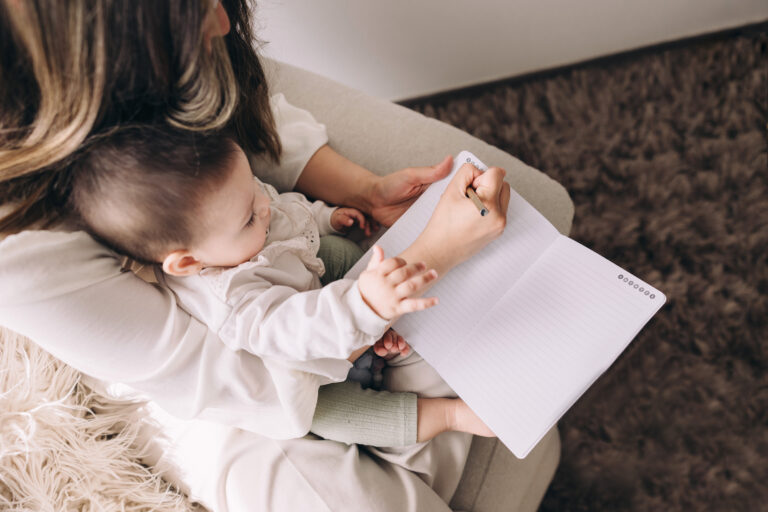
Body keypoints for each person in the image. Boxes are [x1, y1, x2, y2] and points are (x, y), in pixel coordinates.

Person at [0, 1, 510, 510]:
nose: (222, 21)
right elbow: (253, 380)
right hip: (223, 377)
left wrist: (363, 192)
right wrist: (430, 256)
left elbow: (248, 152)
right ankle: (422, 432)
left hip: (300, 307)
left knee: (468, 314)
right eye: (189, 16)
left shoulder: (236, 193)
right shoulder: (25, 257)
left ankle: (415, 440)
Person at [67, 124, 494, 444]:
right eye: (250, 217)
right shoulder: (234, 301)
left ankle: (380, 342)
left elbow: (289, 209)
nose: (263, 207)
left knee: (340, 252)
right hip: (300, 367)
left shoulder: (240, 207)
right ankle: (449, 416)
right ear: (189, 261)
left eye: (254, 186)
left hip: (309, 284)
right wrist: (365, 306)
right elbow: (296, 330)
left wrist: (327, 216)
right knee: (332, 418)